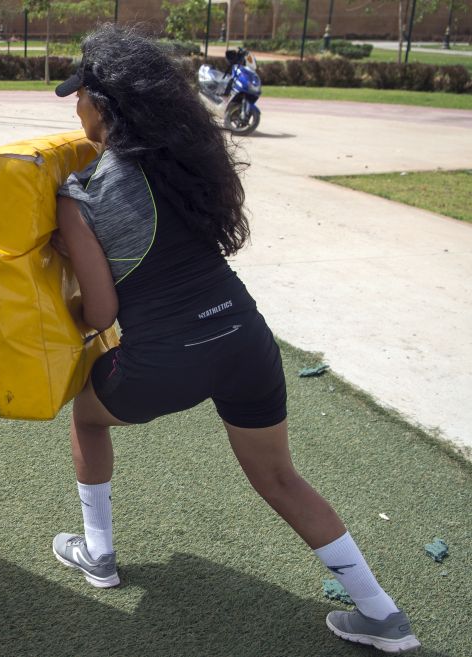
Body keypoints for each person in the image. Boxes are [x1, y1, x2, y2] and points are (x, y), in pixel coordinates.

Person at [48, 25, 419, 654]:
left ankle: (99, 554)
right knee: (280, 478)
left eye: (76, 96)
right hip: (247, 341)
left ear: (103, 105)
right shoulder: (189, 157)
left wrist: (64, 303)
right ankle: (384, 617)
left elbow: (101, 310)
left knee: (87, 415)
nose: (71, 107)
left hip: (166, 361)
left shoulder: (80, 196)